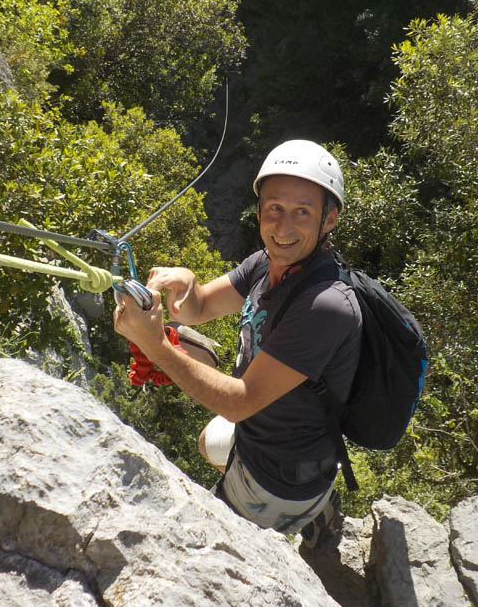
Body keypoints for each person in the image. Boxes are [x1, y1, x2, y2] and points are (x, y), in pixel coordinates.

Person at [113, 140, 362, 545]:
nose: (283, 227)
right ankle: (318, 508)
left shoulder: (326, 305)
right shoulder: (267, 263)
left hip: (280, 479)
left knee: (207, 546)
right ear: (260, 209)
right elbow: (199, 307)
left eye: (303, 212)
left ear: (329, 220)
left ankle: (307, 515)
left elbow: (238, 401)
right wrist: (188, 282)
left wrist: (155, 345)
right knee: (206, 441)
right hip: (262, 437)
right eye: (275, 208)